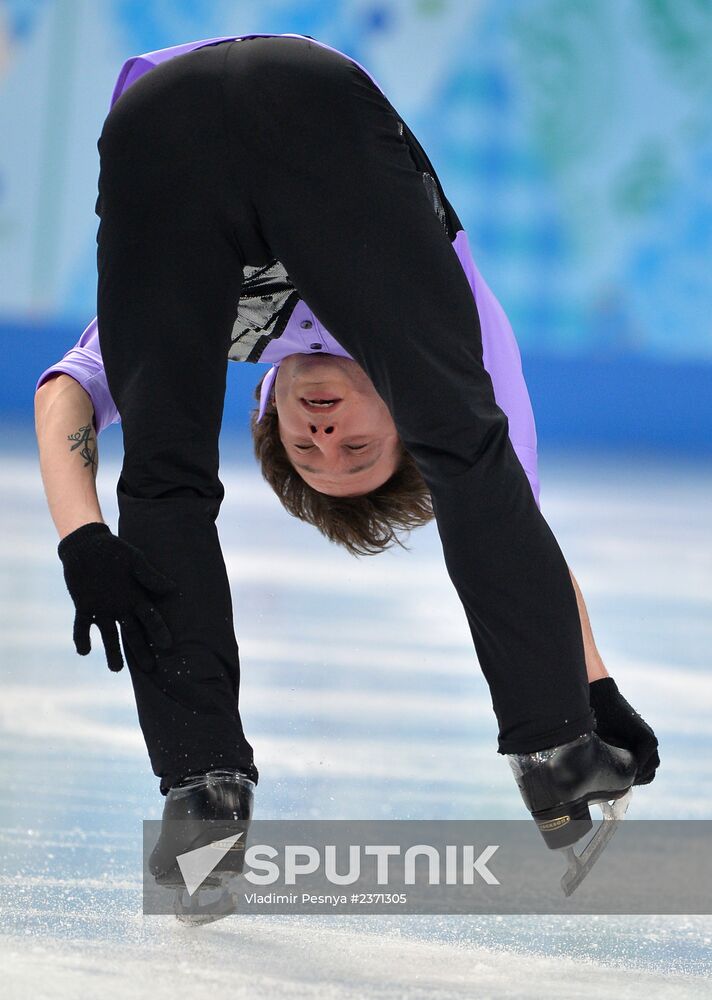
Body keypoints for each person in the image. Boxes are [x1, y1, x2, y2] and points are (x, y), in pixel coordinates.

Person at [34, 33, 658, 901]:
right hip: (314, 104)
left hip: (159, 126)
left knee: (161, 479)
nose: (324, 433)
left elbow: (68, 390)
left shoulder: (225, 338)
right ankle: (551, 748)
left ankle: (201, 788)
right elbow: (515, 518)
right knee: (468, 446)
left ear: (271, 414)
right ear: (395, 428)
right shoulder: (462, 340)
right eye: (355, 449)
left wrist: (84, 537)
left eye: (310, 448)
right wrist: (585, 691)